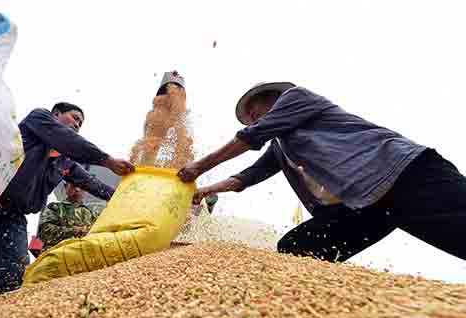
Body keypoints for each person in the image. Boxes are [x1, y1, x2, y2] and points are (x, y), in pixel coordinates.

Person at [178, 82, 466, 263]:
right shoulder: (281, 147)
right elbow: (249, 175)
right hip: (366, 205)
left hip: (405, 174)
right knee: (297, 248)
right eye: (248, 115)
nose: (253, 116)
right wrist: (206, 189)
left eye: (256, 109)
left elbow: (253, 135)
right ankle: (326, 311)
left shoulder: (296, 97)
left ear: (276, 98)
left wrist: (198, 167)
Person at [0, 102, 134, 295]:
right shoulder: (37, 120)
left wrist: (125, 197)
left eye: (81, 123)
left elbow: (92, 183)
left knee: (14, 277)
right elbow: (66, 139)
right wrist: (107, 160)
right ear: (56, 114)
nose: (78, 125)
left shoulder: (64, 163)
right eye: (75, 118)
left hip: (11, 216)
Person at [37, 183, 103, 252]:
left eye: (81, 186)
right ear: (66, 187)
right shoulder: (55, 208)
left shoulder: (91, 214)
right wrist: (74, 231)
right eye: (73, 186)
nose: (77, 189)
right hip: (58, 255)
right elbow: (44, 232)